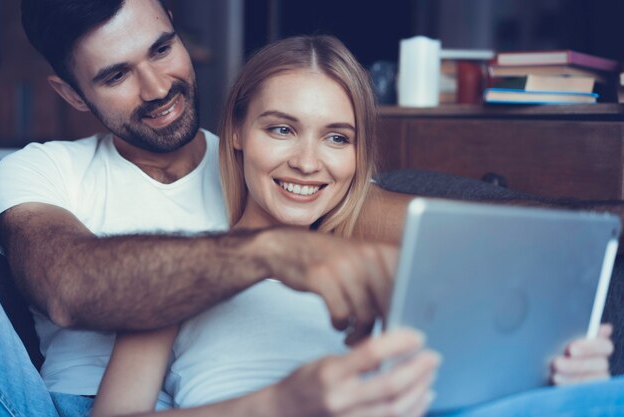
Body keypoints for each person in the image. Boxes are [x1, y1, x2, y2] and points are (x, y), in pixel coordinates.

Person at [89, 35, 620, 417]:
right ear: (235, 131)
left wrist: (558, 379)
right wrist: (281, 405)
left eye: (337, 138)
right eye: (281, 129)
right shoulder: (184, 270)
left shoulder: (402, 271)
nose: (307, 162)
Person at [0, 1, 404, 416]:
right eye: (117, 75)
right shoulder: (41, 169)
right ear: (71, 93)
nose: (156, 89)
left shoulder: (295, 181)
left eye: (161, 49)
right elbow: (68, 287)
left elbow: (422, 230)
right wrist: (272, 252)